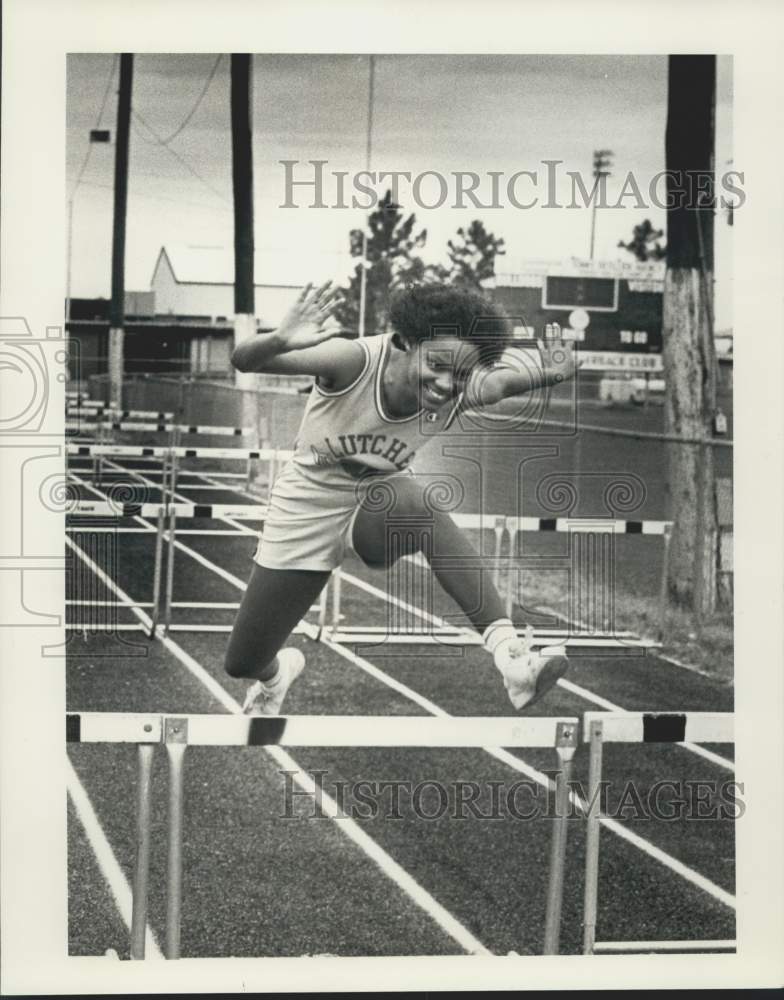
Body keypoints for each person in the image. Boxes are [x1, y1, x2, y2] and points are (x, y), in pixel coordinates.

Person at [225, 281, 579, 715]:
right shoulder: (352, 360)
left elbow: (501, 383)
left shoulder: (462, 387)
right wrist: (278, 340)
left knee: (417, 500)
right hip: (307, 502)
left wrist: (552, 372)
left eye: (463, 374)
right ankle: (276, 677)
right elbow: (243, 360)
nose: (447, 384)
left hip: (378, 504)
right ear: (404, 342)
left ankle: (512, 660)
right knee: (242, 661)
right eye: (437, 365)